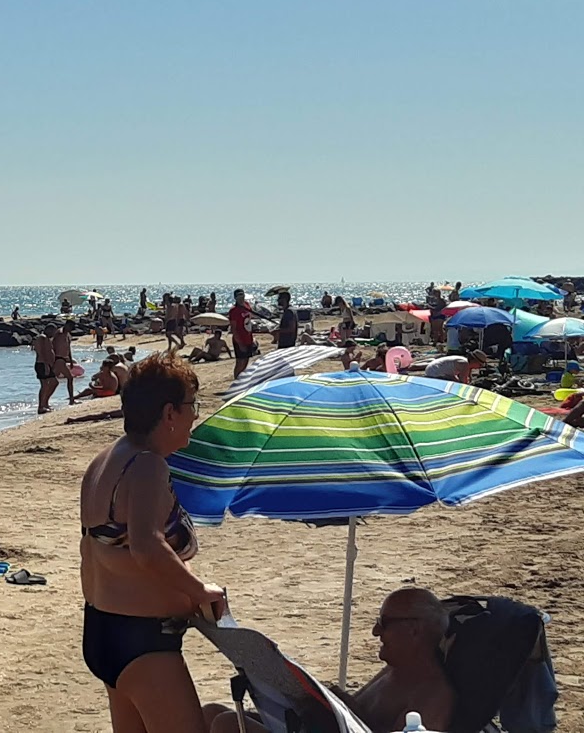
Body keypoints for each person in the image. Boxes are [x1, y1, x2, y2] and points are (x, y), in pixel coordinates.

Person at [81, 353, 222, 733]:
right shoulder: (146, 465)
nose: (196, 415)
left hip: (104, 628)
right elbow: (146, 546)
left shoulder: (106, 459)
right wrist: (200, 590)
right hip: (141, 640)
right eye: (193, 405)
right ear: (170, 412)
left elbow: (99, 551)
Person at [203, 588, 454, 733]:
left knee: (227, 725)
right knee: (211, 712)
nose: (376, 632)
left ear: (415, 631)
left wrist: (345, 705)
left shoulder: (434, 695)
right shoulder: (396, 671)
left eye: (384, 623)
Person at [227, 289, 258, 378]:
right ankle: (236, 379)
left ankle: (242, 379)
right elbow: (234, 328)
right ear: (235, 298)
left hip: (248, 337)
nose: (241, 298)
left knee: (246, 360)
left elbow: (249, 319)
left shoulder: (247, 305)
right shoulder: (234, 310)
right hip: (239, 339)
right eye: (239, 296)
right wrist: (240, 343)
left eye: (242, 296)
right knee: (240, 362)